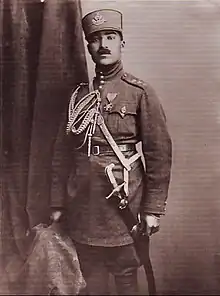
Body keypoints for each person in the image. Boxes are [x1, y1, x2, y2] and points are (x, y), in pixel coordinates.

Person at [50, 8, 172, 295]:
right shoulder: (78, 96)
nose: (103, 45)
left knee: (125, 273)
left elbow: (159, 155)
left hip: (123, 200)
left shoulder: (139, 92)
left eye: (110, 37)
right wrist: (57, 203)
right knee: (87, 274)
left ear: (122, 44)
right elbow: (61, 154)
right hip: (82, 201)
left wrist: (153, 209)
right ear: (89, 47)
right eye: (95, 39)